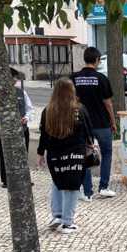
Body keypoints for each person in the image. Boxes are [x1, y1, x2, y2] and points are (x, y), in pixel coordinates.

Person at [37, 78, 95, 233]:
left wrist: (40, 153)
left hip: (55, 155)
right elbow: (88, 131)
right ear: (72, 91)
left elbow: (44, 135)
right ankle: (67, 222)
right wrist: (91, 145)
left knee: (58, 182)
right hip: (75, 154)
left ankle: (57, 215)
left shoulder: (48, 110)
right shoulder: (79, 109)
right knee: (72, 187)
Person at [71, 46, 117, 200]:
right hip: (101, 123)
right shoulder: (101, 78)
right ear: (97, 60)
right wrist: (113, 121)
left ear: (85, 59)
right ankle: (103, 187)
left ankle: (87, 192)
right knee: (106, 153)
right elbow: (108, 103)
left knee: (85, 155)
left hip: (81, 124)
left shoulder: (74, 77)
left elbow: (72, 100)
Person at [0, 68, 33, 188]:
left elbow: (29, 108)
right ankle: (7, 180)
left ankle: (24, 178)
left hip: (22, 128)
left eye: (16, 78)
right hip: (6, 128)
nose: (16, 80)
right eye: (14, 78)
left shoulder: (21, 92)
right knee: (6, 154)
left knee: (23, 153)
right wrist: (7, 120)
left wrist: (26, 117)